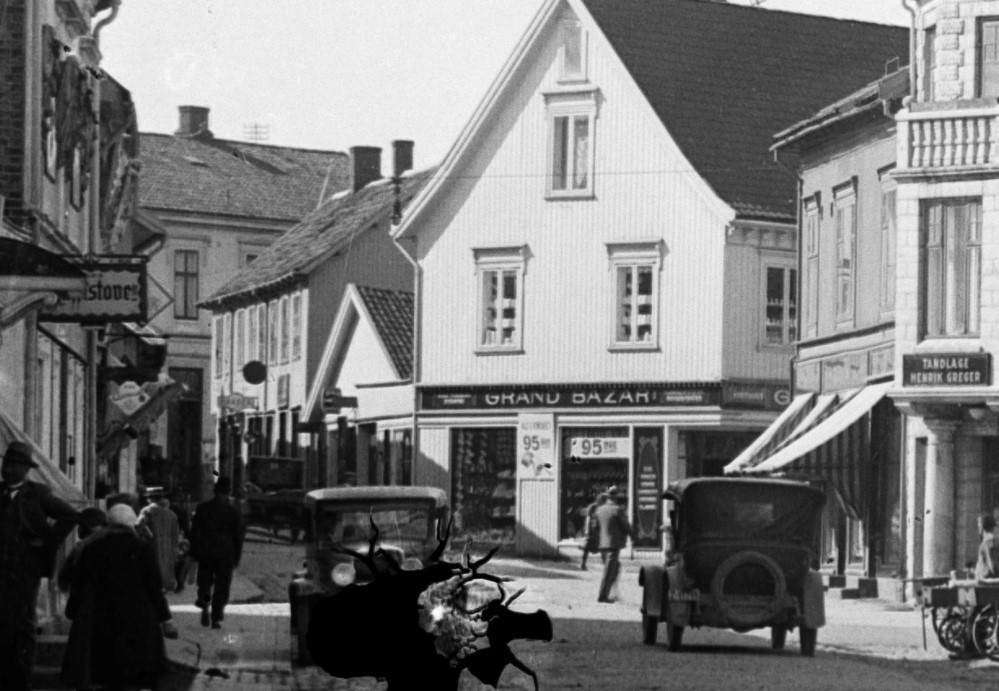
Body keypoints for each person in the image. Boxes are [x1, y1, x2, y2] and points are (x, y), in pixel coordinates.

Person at [63, 503, 178, 691]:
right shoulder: (142, 549)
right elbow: (154, 588)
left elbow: (81, 584)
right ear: (132, 524)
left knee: (111, 678)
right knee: (139, 677)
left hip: (105, 619)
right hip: (140, 619)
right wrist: (166, 620)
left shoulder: (93, 549)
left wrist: (73, 610)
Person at [0, 439, 79, 691]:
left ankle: (20, 681)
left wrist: (46, 541)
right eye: (6, 464)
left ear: (26, 470)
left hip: (25, 569)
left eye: (15, 466)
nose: (9, 470)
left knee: (23, 623)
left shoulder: (38, 493)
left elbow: (70, 515)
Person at [190, 475, 244, 629]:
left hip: (206, 553)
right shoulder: (233, 512)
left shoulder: (203, 508)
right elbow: (238, 537)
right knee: (222, 586)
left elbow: (194, 533)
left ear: (215, 491)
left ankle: (205, 604)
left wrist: (194, 552)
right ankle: (216, 617)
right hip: (225, 554)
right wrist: (236, 558)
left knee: (206, 584)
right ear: (228, 492)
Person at [594, 486, 632, 603]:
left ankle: (613, 593)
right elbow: (626, 526)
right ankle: (603, 596)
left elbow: (595, 527)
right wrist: (632, 536)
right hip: (613, 545)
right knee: (609, 571)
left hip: (602, 544)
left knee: (615, 568)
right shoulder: (617, 510)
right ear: (615, 498)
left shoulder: (599, 510)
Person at [138, 492, 181, 592]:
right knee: (165, 564)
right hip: (167, 545)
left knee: (152, 564)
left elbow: (139, 526)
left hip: (150, 544)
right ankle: (165, 585)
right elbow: (175, 534)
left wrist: (146, 535)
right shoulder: (172, 515)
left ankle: (153, 585)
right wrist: (175, 547)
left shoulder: (147, 511)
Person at [580, 493, 604, 571]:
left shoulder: (601, 507)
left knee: (602, 548)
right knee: (587, 548)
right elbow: (588, 519)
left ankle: (605, 564)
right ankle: (583, 564)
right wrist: (587, 531)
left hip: (597, 531)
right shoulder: (592, 507)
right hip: (591, 531)